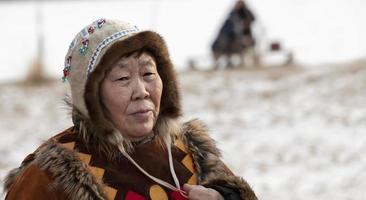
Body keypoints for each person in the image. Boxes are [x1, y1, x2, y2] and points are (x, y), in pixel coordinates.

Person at [3, 19, 257, 200]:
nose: (142, 90)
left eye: (148, 73)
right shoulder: (51, 176)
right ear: (89, 96)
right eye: (123, 79)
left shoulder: (191, 152)